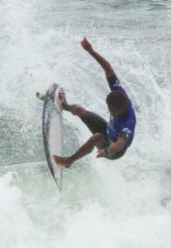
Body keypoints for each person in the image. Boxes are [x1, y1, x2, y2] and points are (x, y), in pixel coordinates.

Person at [53, 37, 136, 168]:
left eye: (113, 111)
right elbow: (108, 68)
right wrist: (90, 50)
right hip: (107, 130)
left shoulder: (128, 122)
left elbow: (120, 143)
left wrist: (107, 151)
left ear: (122, 109)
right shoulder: (118, 92)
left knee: (96, 137)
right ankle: (64, 105)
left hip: (114, 149)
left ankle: (69, 160)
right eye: (110, 109)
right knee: (78, 109)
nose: (111, 113)